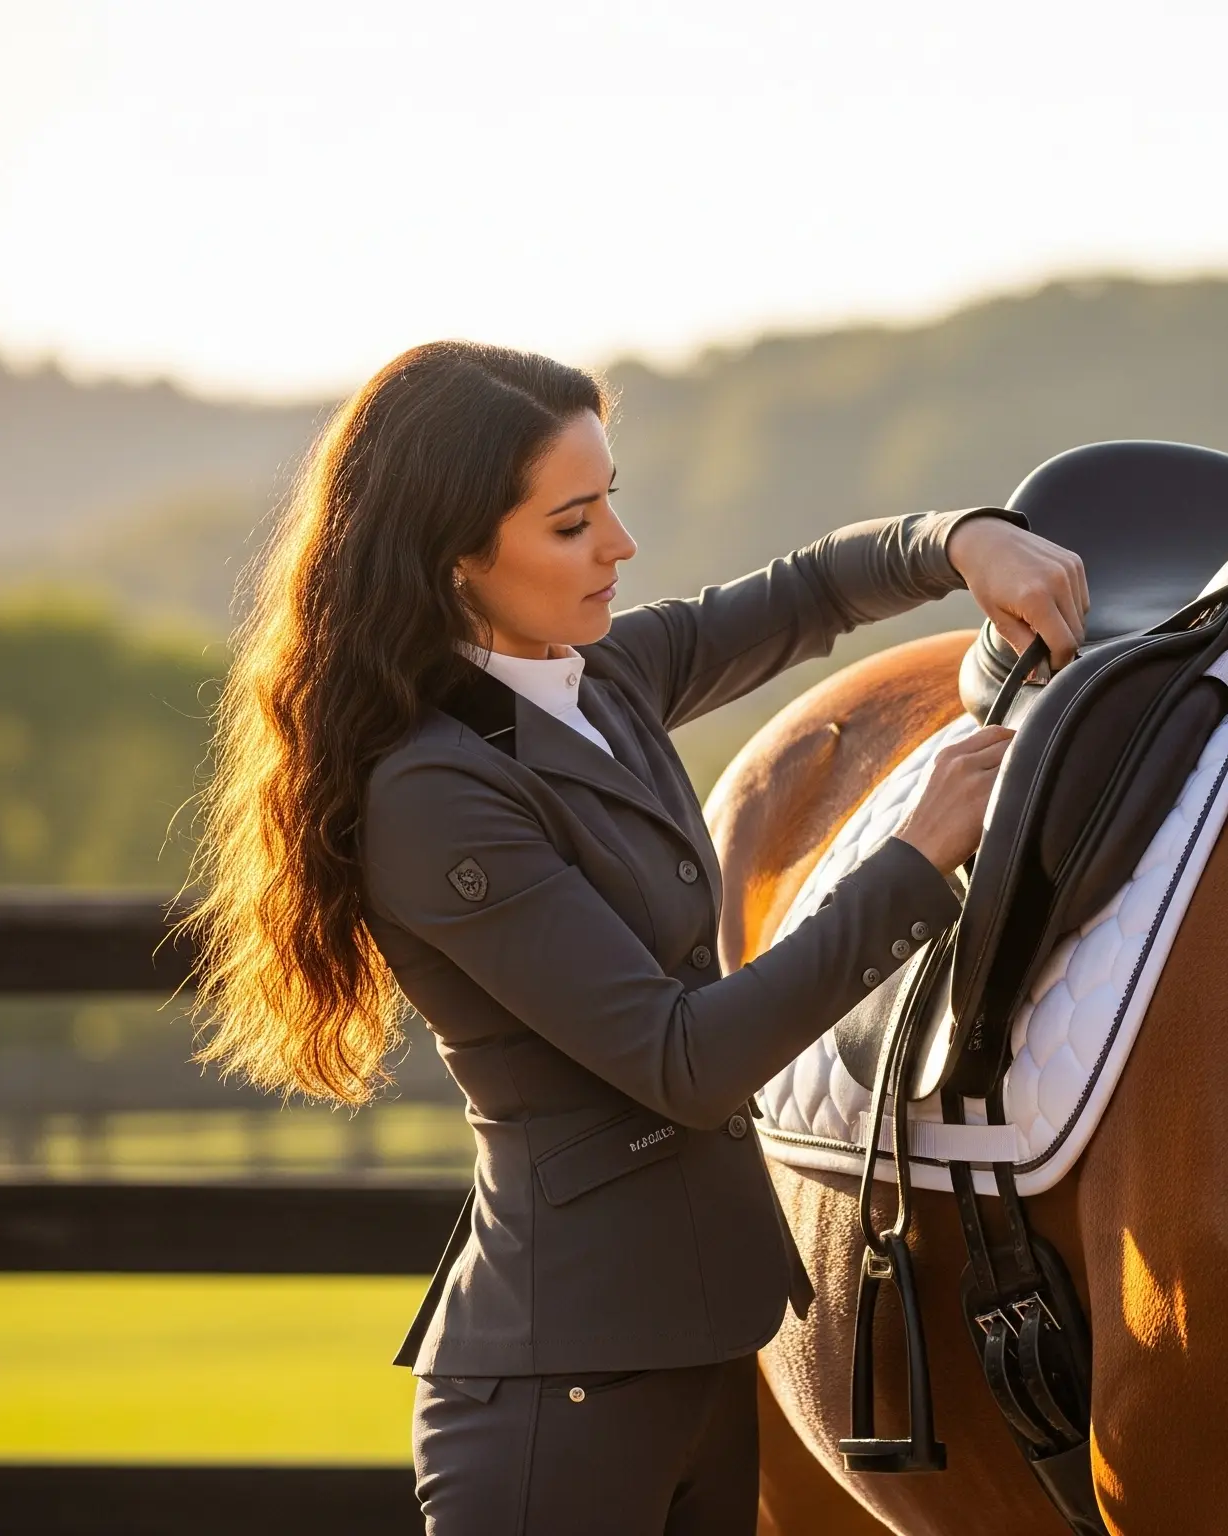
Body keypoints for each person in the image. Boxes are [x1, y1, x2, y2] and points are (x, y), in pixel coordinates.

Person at [183, 340, 1088, 1534]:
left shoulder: (593, 680)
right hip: (559, 1398)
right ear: (454, 558)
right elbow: (684, 1060)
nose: (619, 544)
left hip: (704, 1352)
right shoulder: (433, 793)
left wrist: (956, 538)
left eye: (611, 500)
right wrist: (913, 856)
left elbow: (806, 595)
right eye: (571, 522)